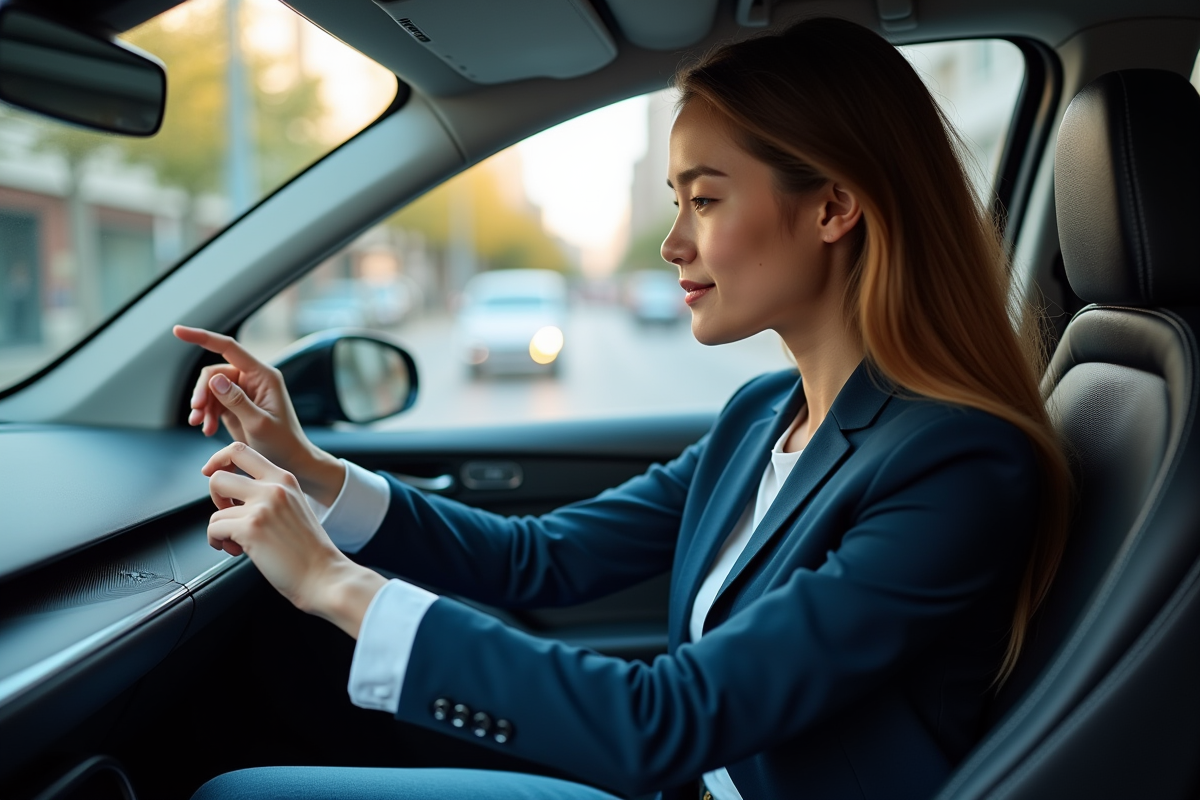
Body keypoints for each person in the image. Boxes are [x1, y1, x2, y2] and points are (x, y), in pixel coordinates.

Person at [181, 17, 1070, 800]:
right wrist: (312, 468)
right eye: (677, 200)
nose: (672, 242)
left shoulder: (957, 464)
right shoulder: (764, 415)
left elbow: (667, 718)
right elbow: (544, 560)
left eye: (707, 200)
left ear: (834, 206)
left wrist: (332, 581)